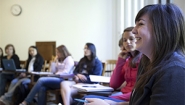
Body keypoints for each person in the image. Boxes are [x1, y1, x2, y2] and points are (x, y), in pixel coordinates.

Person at [84, 3, 185, 105]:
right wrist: (112, 103)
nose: (133, 30)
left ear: (162, 28)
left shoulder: (174, 72)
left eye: (140, 24)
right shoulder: (146, 63)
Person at [77, 27, 142, 105]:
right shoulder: (127, 61)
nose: (127, 42)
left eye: (131, 39)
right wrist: (120, 61)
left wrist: (111, 99)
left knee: (87, 100)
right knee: (85, 99)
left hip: (130, 99)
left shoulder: (143, 61)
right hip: (121, 95)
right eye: (124, 40)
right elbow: (114, 84)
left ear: (138, 39)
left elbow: (138, 93)